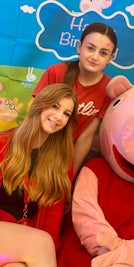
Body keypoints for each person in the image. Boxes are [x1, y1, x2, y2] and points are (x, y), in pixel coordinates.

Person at [32, 22, 117, 177]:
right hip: (38, 147)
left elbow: (86, 137)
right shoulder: (56, 72)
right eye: (90, 48)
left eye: (103, 53)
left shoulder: (108, 89)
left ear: (111, 58)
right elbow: (34, 115)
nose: (95, 57)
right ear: (79, 47)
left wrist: (69, 178)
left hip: (65, 157)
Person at [0, 83, 78, 252]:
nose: (58, 117)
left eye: (66, 114)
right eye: (55, 106)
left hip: (28, 238)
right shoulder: (4, 144)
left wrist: (49, 250)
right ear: (40, 104)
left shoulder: (62, 160)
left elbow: (53, 217)